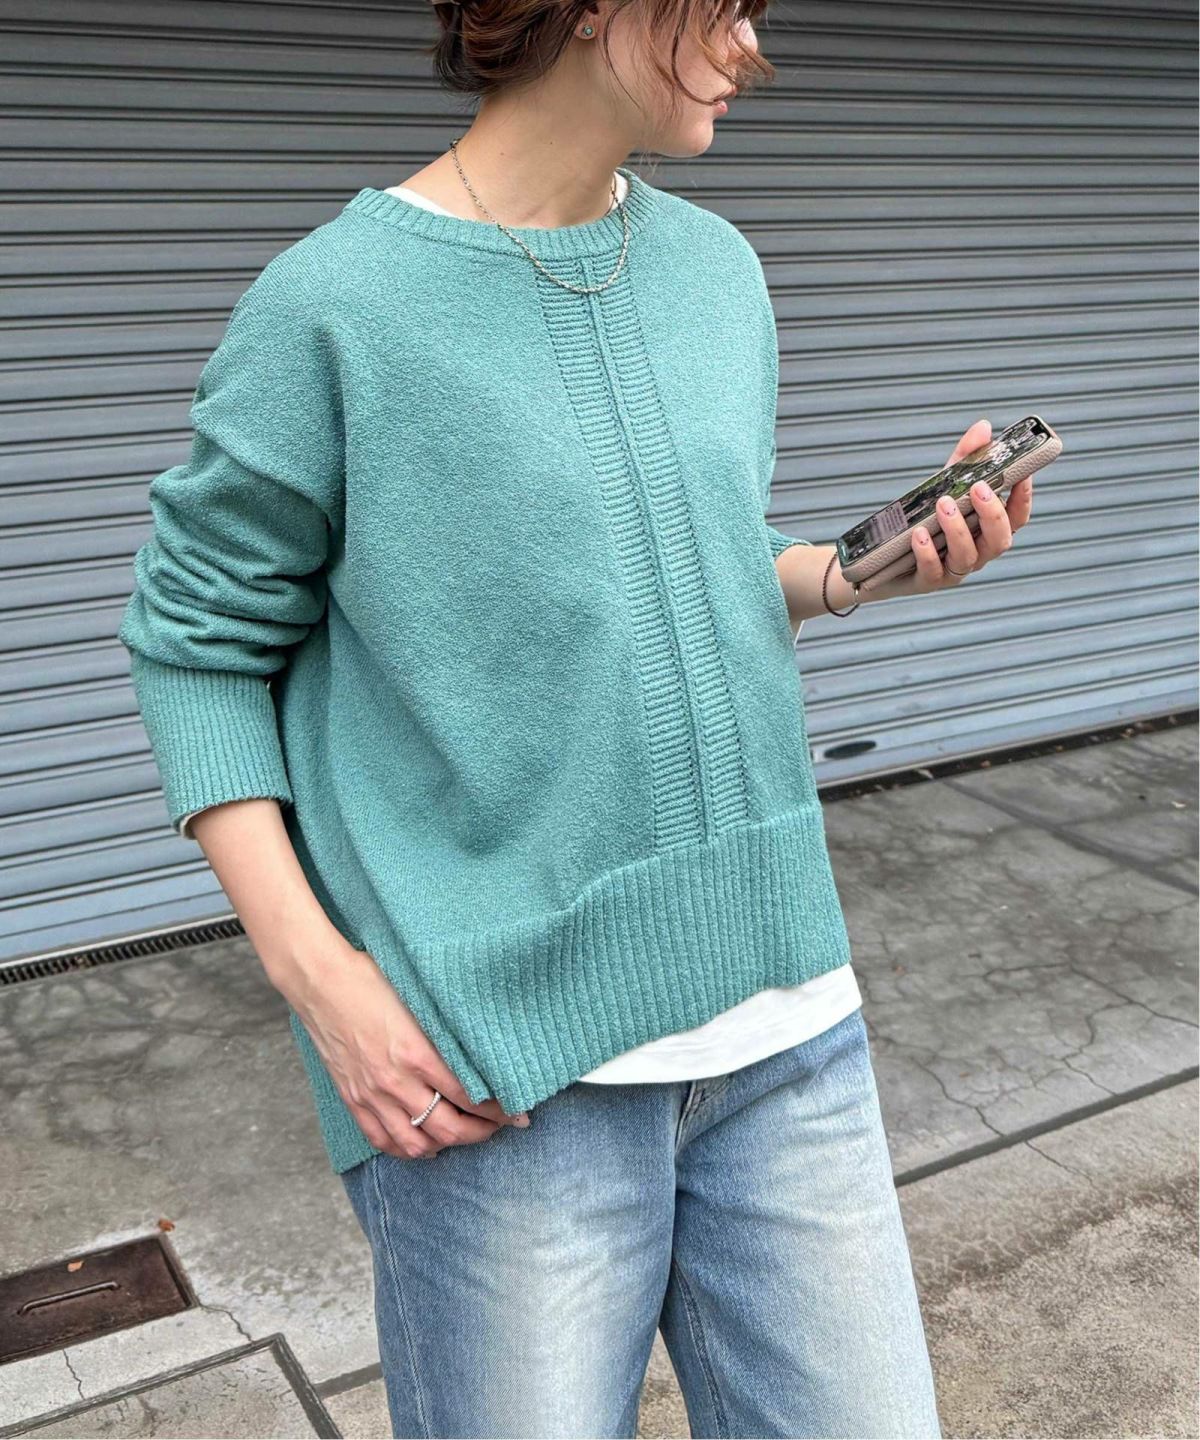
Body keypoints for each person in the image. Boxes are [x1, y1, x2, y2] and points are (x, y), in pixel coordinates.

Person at [118, 1, 1034, 1435]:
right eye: (727, 3)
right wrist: (328, 990)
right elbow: (194, 649)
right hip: (503, 1083)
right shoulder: (332, 308)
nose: (753, 45)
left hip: (787, 1021)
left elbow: (682, 572)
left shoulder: (717, 272)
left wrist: (854, 572)